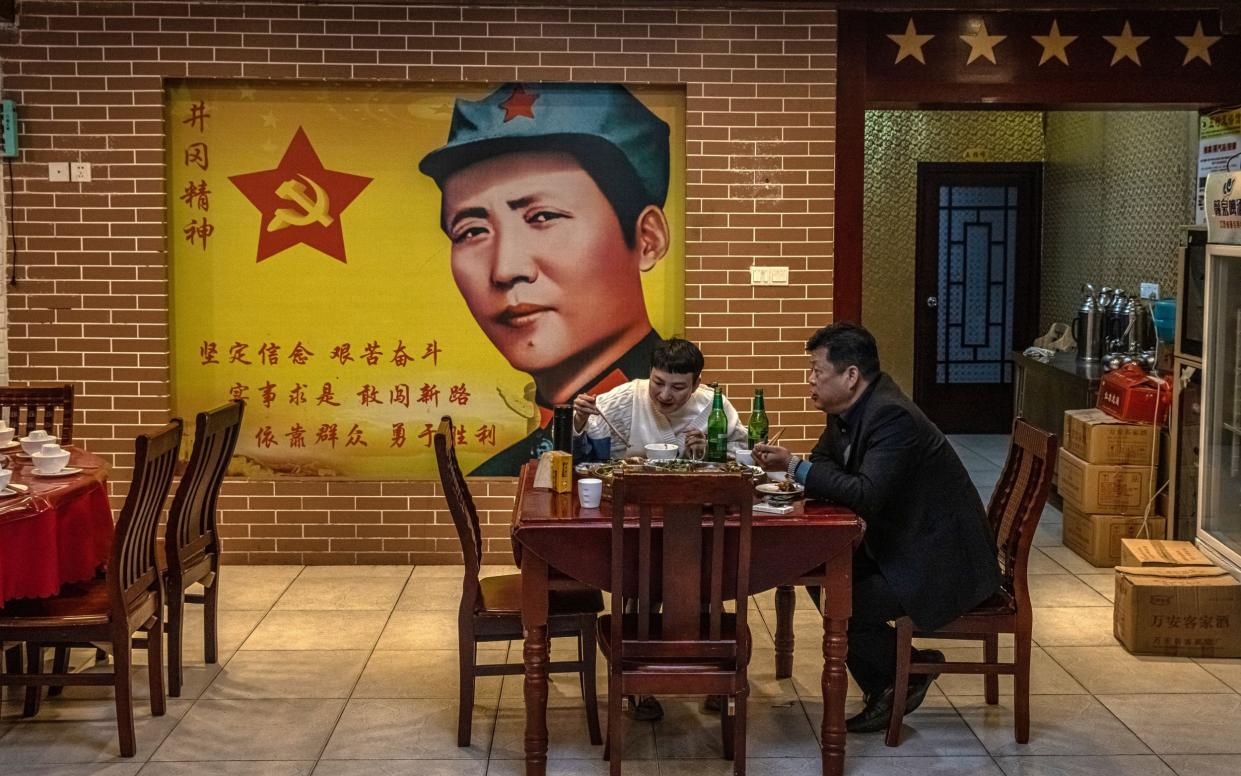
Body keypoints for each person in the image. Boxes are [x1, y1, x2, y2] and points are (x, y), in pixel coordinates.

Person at [753, 322, 1000, 734]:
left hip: (941, 560)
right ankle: (896, 679)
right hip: (905, 544)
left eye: (817, 370)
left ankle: (900, 680)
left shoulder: (891, 416)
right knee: (823, 576)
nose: (810, 379)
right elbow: (825, 460)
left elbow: (865, 493)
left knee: (845, 596)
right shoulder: (847, 410)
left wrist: (794, 467)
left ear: (850, 376)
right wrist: (811, 467)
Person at [419, 83, 673, 475]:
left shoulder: (681, 429)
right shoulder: (502, 472)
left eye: (543, 217)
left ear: (647, 239)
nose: (505, 269)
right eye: (471, 231)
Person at [571, 337, 746, 462]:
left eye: (678, 388)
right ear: (650, 373)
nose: (664, 395)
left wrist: (711, 449)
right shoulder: (627, 398)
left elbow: (745, 453)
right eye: (658, 382)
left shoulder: (715, 408)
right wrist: (579, 420)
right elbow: (578, 449)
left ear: (695, 385)